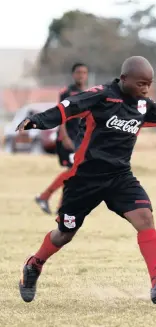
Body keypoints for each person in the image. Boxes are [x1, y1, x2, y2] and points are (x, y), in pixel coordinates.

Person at [17, 56, 156, 305]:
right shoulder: (101, 95)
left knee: (145, 217)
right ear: (124, 79)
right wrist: (39, 121)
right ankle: (34, 264)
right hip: (85, 178)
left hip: (119, 177)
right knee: (64, 233)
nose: (146, 89)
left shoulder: (143, 106)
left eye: (149, 84)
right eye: (141, 84)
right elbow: (69, 107)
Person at [35, 62, 89, 214]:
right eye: (78, 72)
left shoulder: (85, 92)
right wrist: (64, 136)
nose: (81, 75)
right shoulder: (67, 92)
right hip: (67, 138)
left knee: (73, 172)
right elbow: (61, 115)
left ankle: (60, 207)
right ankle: (45, 196)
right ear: (73, 74)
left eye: (84, 73)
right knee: (73, 170)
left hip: (77, 138)